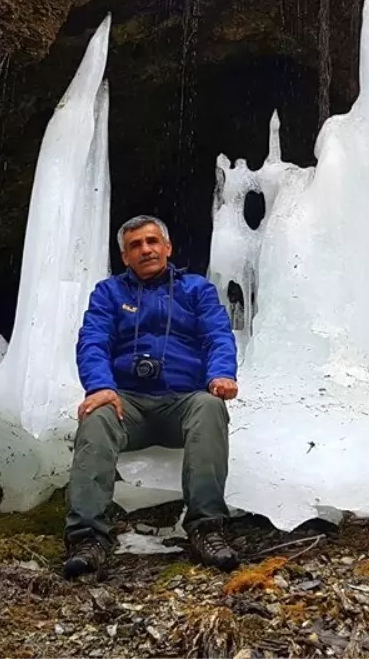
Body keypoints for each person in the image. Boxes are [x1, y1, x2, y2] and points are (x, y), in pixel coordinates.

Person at [63, 214, 240, 579]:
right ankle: (87, 537)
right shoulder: (109, 293)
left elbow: (218, 335)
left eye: (152, 241)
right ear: (125, 257)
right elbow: (93, 340)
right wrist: (100, 386)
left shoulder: (196, 290)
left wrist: (221, 374)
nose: (145, 250)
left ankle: (207, 529)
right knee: (96, 417)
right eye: (135, 246)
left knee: (210, 408)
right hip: (129, 402)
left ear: (167, 247)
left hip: (184, 400)